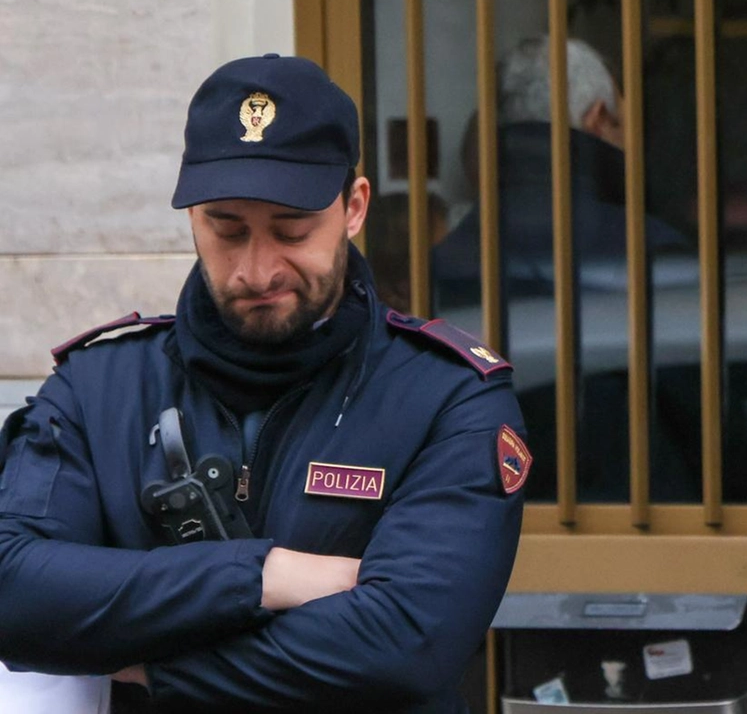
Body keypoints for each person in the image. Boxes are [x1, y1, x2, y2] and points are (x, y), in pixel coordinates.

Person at [0, 54, 528, 712]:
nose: (257, 268)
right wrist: (265, 575)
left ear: (354, 207)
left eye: (291, 230)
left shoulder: (449, 396)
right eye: (227, 229)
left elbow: (409, 642)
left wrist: (144, 664)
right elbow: (15, 593)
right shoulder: (97, 387)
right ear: (192, 217)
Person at [433, 35, 690, 308]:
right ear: (598, 118)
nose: (630, 142)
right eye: (622, 124)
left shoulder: (445, 260)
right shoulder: (656, 252)